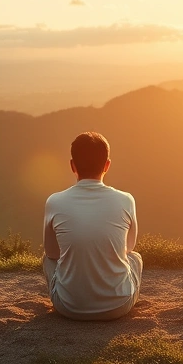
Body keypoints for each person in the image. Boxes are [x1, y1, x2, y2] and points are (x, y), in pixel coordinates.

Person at [43, 131, 143, 320]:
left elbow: (52, 254)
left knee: (47, 260)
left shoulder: (54, 202)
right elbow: (128, 248)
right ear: (107, 165)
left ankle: (71, 293)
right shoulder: (126, 200)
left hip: (68, 307)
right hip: (119, 306)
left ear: (72, 165)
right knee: (135, 258)